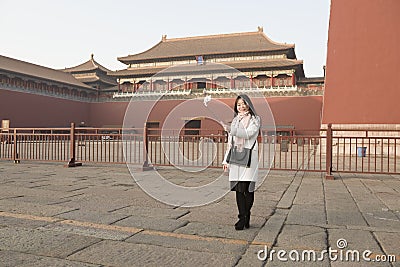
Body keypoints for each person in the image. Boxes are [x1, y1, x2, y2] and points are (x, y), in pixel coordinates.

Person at [222, 94, 260, 230]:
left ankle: (246, 215)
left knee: (248, 190)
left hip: (249, 156)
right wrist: (225, 160)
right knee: (238, 190)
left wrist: (232, 130)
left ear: (248, 104)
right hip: (236, 156)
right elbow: (230, 143)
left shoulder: (255, 119)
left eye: (243, 104)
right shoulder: (235, 121)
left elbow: (249, 133)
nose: (241, 107)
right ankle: (242, 217)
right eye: (238, 105)